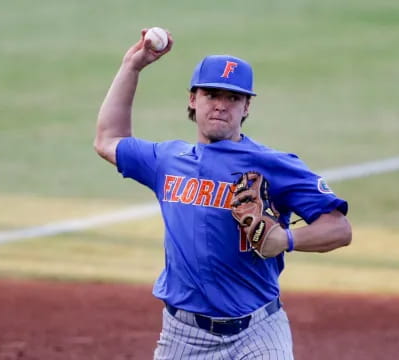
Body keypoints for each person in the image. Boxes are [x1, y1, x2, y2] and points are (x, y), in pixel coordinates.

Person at [94, 28, 352, 360]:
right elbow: (107, 140)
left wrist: (286, 240)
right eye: (212, 94)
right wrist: (132, 66)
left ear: (247, 107)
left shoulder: (273, 165)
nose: (221, 105)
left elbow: (340, 228)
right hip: (182, 336)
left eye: (233, 98)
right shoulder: (168, 161)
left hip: (258, 331)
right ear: (193, 99)